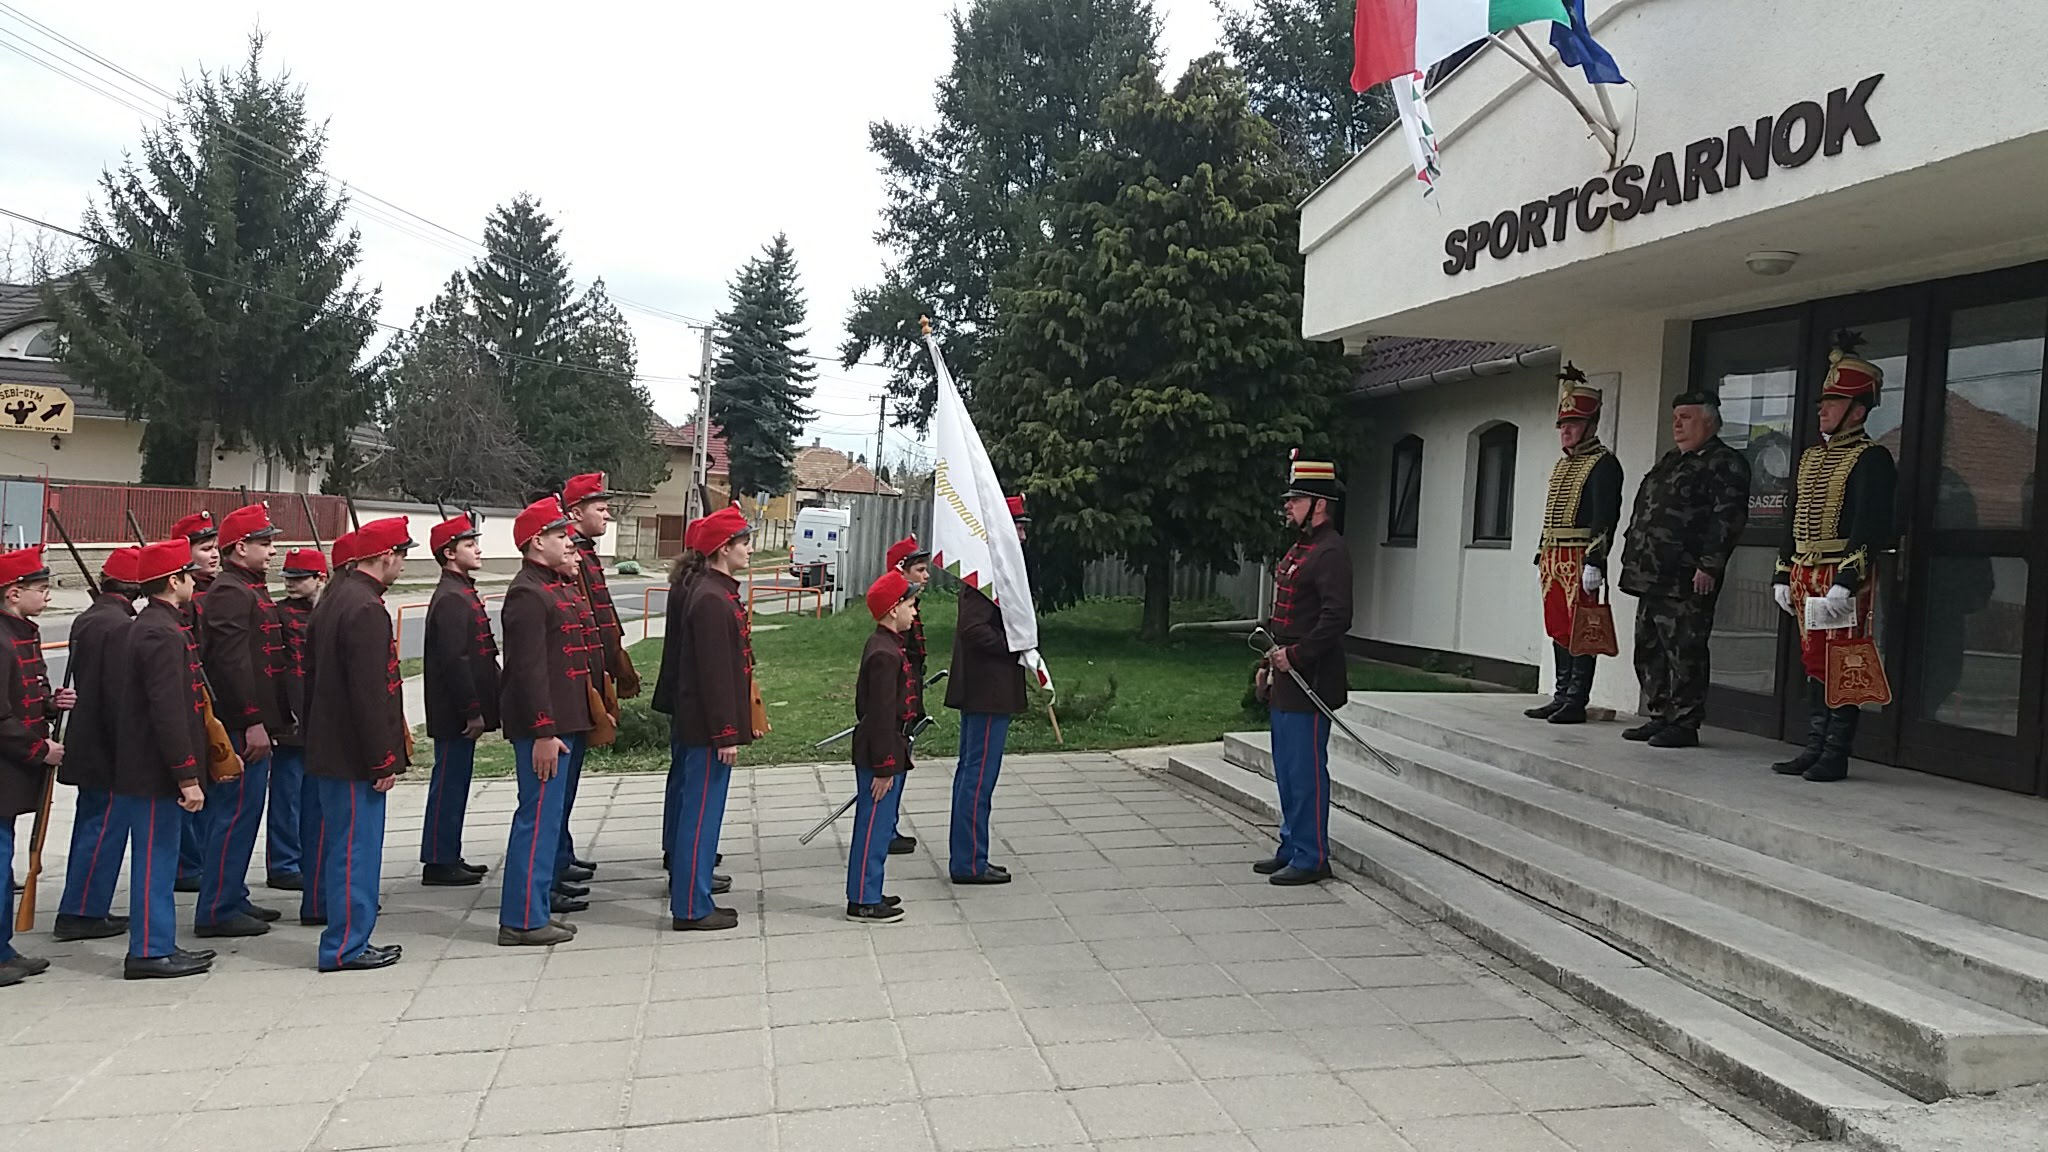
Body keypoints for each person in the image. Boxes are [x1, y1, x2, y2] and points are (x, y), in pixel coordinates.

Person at [1771, 335, 1897, 783]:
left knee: (1843, 663)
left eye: (1833, 403)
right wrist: (1783, 571)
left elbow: (1870, 525)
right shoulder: (1809, 458)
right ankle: (1814, 745)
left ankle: (1836, 752)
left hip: (1842, 576)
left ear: (1857, 411)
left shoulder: (1872, 459)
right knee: (1813, 662)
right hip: (1806, 573)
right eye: (1823, 403)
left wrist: (1848, 579)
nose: (1822, 410)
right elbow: (1792, 517)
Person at [303, 517, 412, 971]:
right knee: (356, 852)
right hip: (353, 754)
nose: (403, 565)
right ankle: (346, 945)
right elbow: (370, 693)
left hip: (332, 745)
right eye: (402, 555)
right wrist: (381, 758)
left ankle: (347, 938)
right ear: (385, 555)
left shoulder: (335, 599)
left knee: (345, 847)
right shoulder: (365, 608)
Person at [1618, 393, 1753, 747]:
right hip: (1652, 573)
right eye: (1675, 416)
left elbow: (1728, 518)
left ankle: (1685, 721)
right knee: (1649, 648)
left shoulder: (1725, 463)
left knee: (1685, 650)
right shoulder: (1672, 460)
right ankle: (1660, 713)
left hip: (1687, 576)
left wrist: (1710, 564)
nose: (1677, 424)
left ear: (1708, 421)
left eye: (1686, 417)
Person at [497, 497, 598, 947]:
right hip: (545, 730)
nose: (567, 542)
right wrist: (542, 730)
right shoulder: (527, 593)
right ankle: (520, 918)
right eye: (560, 536)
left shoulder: (551, 586)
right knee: (535, 821)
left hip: (562, 725)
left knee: (547, 819)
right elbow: (528, 671)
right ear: (537, 542)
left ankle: (535, 909)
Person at [111, 539, 214, 980]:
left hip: (152, 767)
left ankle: (159, 942)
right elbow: (168, 710)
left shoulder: (159, 624)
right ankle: (150, 949)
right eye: (189, 574)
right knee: (156, 859)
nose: (194, 581)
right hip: (154, 770)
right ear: (174, 581)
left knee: (160, 856)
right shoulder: (160, 631)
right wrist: (186, 775)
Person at [193, 503, 291, 938]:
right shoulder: (232, 591)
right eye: (264, 543)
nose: (272, 551)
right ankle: (216, 908)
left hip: (256, 720)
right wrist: (252, 720)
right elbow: (232, 664)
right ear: (239, 548)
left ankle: (231, 894)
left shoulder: (248, 586)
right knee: (233, 815)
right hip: (239, 723)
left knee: (245, 814)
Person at [1256, 456, 1354, 886]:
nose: (1288, 506)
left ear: (1319, 504)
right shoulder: (1301, 546)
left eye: (1296, 499)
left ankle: (1313, 855)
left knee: (1306, 771)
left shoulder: (1332, 550)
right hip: (1286, 676)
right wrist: (1269, 661)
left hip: (1310, 678)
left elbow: (1336, 617)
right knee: (1287, 768)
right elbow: (1287, 612)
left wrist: (1294, 657)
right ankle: (1292, 843)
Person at [667, 506, 755, 932]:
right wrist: (725, 733)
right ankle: (691, 906)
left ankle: (696, 896)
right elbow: (714, 674)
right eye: (743, 543)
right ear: (724, 549)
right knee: (700, 818)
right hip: (706, 730)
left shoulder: (715, 591)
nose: (750, 550)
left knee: (703, 815)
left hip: (706, 727)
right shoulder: (711, 599)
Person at [944, 497, 1037, 886]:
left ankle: (971, 856)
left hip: (990, 689)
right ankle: (968, 862)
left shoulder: (1001, 569)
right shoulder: (986, 574)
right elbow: (973, 629)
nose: (1022, 533)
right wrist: (1015, 642)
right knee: (978, 777)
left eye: (1023, 526)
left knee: (976, 775)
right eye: (1015, 525)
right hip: (986, 689)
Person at [52, 546, 142, 943]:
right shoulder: (120, 626)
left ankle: (86, 905)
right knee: (103, 829)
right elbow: (119, 693)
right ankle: (83, 910)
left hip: (89, 736)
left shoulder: (92, 618)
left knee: (94, 824)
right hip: (109, 742)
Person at [1527, 366, 1624, 725]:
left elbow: (1605, 516)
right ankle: (1561, 692)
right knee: (1557, 626)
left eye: (1573, 424)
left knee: (1582, 629)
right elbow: (1551, 515)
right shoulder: (1563, 466)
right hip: (1554, 558)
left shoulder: (1603, 465)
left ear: (1591, 425)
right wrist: (1542, 553)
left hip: (1581, 557)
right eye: (1563, 425)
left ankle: (1576, 699)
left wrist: (1596, 560)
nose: (1565, 431)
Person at [557, 472, 637, 886]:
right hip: (579, 681)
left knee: (567, 786)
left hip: (594, 674)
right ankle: (554, 861)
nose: (606, 516)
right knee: (559, 787)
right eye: (599, 509)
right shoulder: (573, 560)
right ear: (575, 512)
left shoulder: (585, 555)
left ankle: (561, 853)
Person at [0, 545, 72, 986]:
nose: (47, 596)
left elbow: (21, 701)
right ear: (13, 593)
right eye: (40, 589)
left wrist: (49, 704)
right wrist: (39, 750)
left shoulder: (18, 633)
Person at [421, 513, 500, 887]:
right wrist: (472, 710)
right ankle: (438, 859)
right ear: (449, 553)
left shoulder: (461, 590)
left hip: (462, 710)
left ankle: (447, 852)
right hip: (454, 712)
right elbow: (457, 659)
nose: (478, 549)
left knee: (457, 781)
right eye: (469, 545)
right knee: (449, 782)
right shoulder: (452, 597)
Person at [848, 570, 922, 923]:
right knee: (873, 826)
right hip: (881, 747)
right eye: (910, 605)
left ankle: (871, 889)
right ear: (893, 609)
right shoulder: (884, 654)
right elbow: (877, 714)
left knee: (878, 827)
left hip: (889, 744)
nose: (915, 612)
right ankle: (862, 898)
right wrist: (885, 765)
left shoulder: (889, 645)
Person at [168, 510, 220, 893]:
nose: (214, 555)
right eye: (205, 549)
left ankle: (196, 860)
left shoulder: (210, 592)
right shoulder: (186, 600)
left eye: (215, 546)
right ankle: (188, 864)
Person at [274, 548, 327, 919]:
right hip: (291, 710)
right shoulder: (279, 614)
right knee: (287, 792)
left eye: (300, 578)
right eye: (288, 578)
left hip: (319, 712)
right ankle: (284, 861)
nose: (292, 584)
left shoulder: (326, 611)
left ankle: (309, 859)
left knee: (312, 796)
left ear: (320, 579)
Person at [882, 534, 932, 856]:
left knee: (904, 762)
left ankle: (890, 825)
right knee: (895, 763)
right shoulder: (896, 613)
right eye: (920, 570)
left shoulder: (910, 608)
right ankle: (885, 828)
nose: (926, 576)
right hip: (901, 699)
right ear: (902, 572)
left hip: (911, 694)